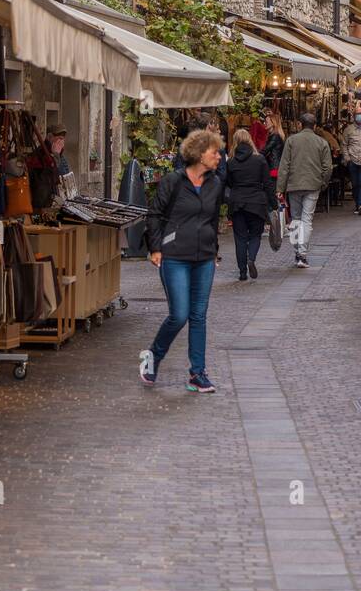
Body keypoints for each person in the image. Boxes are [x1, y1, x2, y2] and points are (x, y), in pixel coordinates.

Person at [139, 129, 224, 393]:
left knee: (198, 316)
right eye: (214, 152)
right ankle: (154, 355)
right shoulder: (173, 182)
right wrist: (155, 248)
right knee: (179, 315)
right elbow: (154, 215)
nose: (219, 157)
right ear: (199, 155)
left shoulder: (215, 184)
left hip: (204, 258)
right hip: (174, 256)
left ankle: (197, 373)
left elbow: (212, 219)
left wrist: (214, 250)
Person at [276, 111, 332, 267]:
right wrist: (323, 182)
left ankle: (297, 252)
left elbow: (284, 165)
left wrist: (280, 187)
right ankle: (302, 254)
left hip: (294, 185)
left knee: (296, 219)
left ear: (300, 125)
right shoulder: (322, 143)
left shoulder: (291, 141)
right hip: (313, 185)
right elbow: (327, 168)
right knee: (307, 219)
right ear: (314, 126)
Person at [225, 128, 278, 282]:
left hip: (237, 203)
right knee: (255, 235)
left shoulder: (231, 162)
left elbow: (228, 183)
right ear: (250, 140)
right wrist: (273, 204)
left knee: (240, 238)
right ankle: (252, 259)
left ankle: (242, 272)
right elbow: (267, 184)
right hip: (257, 202)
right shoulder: (259, 159)